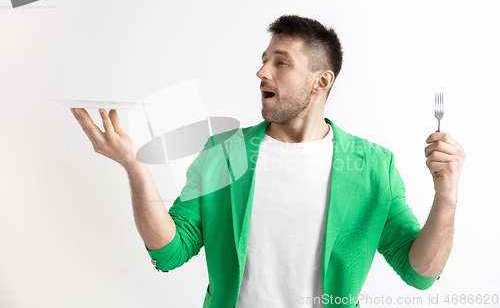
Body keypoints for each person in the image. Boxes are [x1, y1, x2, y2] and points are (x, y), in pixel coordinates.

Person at [70, 15, 466, 308]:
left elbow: (420, 272)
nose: (261, 72)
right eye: (264, 60)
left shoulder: (373, 167)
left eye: (281, 62)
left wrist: (446, 195)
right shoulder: (223, 153)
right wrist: (135, 168)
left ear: (321, 81)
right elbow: (170, 251)